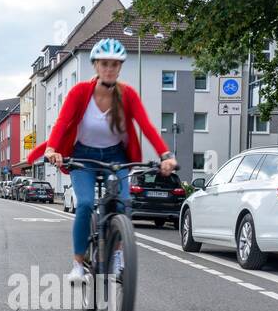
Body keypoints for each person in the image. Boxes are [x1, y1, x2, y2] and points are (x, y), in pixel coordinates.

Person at [26, 38, 178, 281]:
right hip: (83, 157)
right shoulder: (80, 92)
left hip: (116, 156)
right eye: (105, 64)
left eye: (115, 65)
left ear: (120, 68)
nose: (109, 69)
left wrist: (165, 155)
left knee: (124, 202)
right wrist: (52, 149)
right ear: (95, 66)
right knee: (85, 204)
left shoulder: (127, 94)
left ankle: (117, 256)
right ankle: (78, 263)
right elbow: (63, 122)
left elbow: (146, 126)